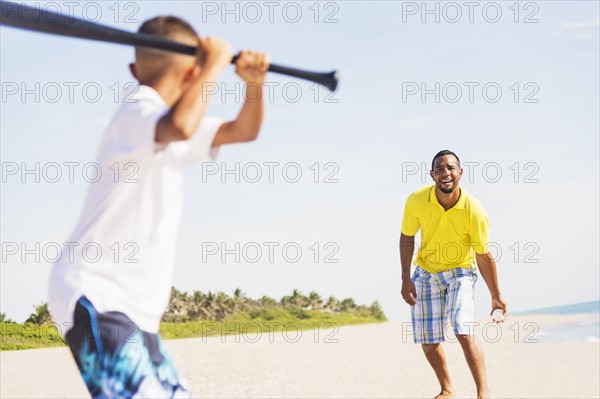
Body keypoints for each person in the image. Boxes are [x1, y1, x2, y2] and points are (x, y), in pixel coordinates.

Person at [48, 16, 269, 398]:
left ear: (134, 69)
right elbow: (180, 126)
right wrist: (215, 65)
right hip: (97, 294)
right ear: (192, 73)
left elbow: (242, 131)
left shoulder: (167, 123)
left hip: (135, 310)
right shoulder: (137, 110)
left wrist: (254, 87)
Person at [399, 150, 507, 399]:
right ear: (432, 174)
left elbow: (483, 254)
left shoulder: (474, 210)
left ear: (460, 172)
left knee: (461, 326)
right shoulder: (416, 200)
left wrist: (496, 295)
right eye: (439, 169)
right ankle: (447, 390)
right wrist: (406, 278)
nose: (445, 173)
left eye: (450, 168)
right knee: (428, 337)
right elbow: (407, 236)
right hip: (425, 272)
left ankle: (483, 393)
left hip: (460, 272)